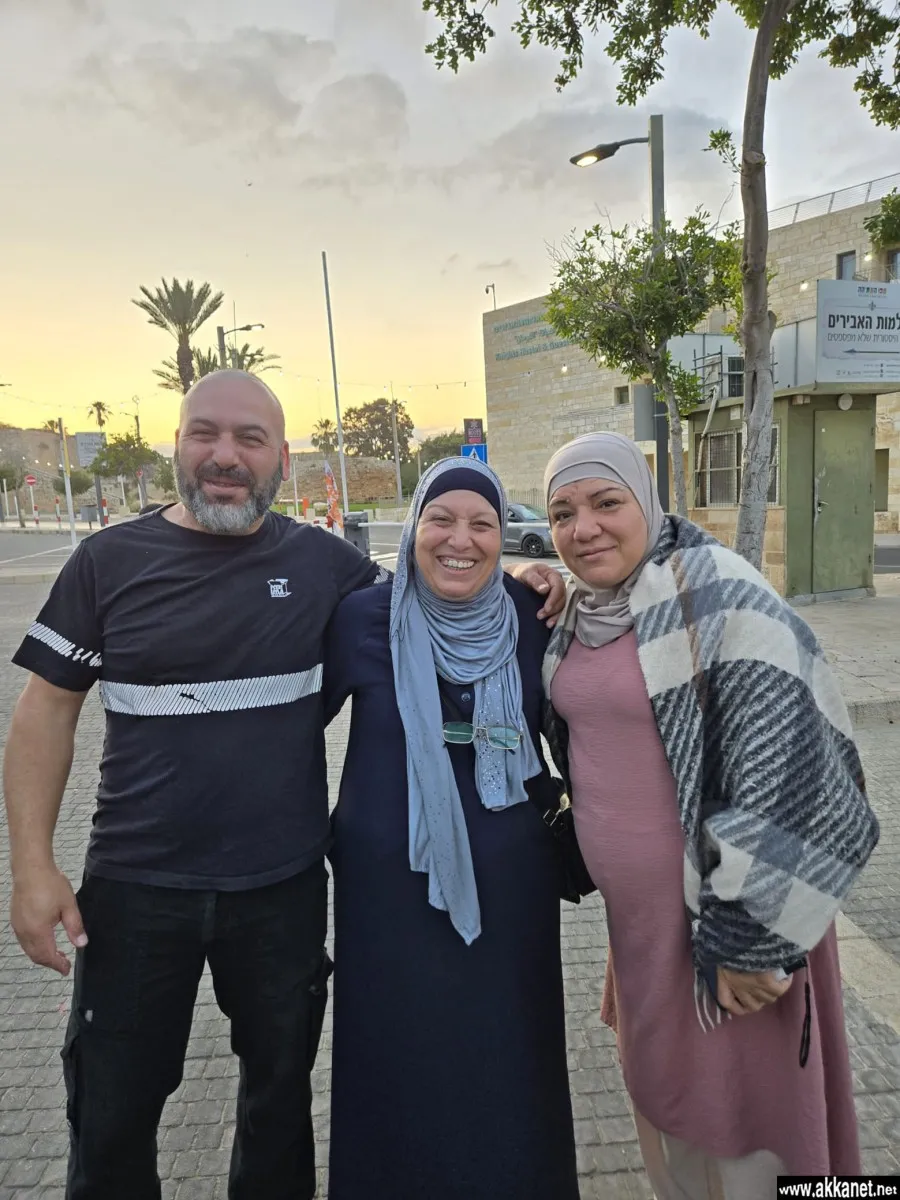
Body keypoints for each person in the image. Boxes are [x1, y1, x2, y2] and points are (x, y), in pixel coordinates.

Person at [3, 371, 562, 1200]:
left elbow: (433, 586)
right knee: (112, 1113)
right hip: (136, 886)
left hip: (282, 890)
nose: (225, 456)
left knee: (278, 1110)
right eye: (206, 433)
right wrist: (33, 867)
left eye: (250, 439)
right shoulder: (107, 561)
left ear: (282, 458)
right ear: (178, 443)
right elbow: (46, 710)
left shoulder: (325, 566)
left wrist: (528, 580)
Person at [539, 431, 880, 1196]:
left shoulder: (718, 593)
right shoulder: (582, 610)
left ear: (647, 502)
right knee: (674, 1117)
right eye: (562, 513)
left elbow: (796, 768)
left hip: (728, 923)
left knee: (751, 1127)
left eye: (606, 503)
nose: (583, 528)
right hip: (643, 931)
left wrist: (753, 938)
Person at [322, 457, 579, 1200]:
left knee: (509, 1050)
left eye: (481, 524)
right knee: (394, 1054)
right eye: (440, 519)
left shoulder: (533, 617)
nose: (459, 539)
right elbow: (290, 732)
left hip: (512, 886)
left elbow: (584, 728)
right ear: (414, 528)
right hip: (387, 890)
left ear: (503, 536)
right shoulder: (363, 619)